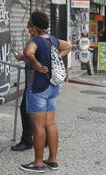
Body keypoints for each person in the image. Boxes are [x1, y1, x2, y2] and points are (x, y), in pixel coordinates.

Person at [20, 11, 71, 173]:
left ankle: (38, 163)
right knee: (50, 124)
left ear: (34, 26)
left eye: (30, 24)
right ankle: (53, 160)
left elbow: (29, 52)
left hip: (38, 88)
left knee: (38, 126)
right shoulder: (53, 40)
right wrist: (54, 58)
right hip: (53, 88)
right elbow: (69, 46)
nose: (28, 27)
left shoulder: (34, 41)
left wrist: (36, 65)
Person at [11, 21, 36, 151]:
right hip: (41, 83)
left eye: (30, 27)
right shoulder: (50, 39)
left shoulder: (36, 41)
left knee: (26, 111)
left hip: (33, 83)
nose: (28, 30)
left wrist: (23, 57)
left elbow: (31, 56)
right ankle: (45, 140)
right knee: (41, 113)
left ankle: (27, 141)